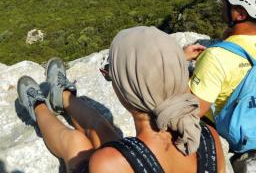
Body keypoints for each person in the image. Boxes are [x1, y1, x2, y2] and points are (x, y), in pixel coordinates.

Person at [17, 26, 225, 172]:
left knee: (76, 142)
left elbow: (112, 163)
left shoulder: (108, 164)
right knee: (104, 130)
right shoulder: (208, 136)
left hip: (111, 166)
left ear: (125, 93)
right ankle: (62, 96)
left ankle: (38, 107)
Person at [186, 0, 256, 171]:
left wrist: (176, 62)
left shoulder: (217, 56)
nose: (221, 6)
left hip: (242, 149)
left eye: (226, 3)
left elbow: (192, 111)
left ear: (240, 13)